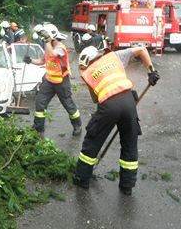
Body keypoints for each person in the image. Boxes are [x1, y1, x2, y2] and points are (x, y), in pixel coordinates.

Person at [73, 45, 160, 195]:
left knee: (93, 140)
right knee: (129, 143)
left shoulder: (88, 72)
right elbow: (141, 49)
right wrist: (151, 71)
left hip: (108, 106)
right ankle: (127, 186)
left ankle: (82, 179)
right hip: (128, 102)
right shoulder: (115, 56)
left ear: (86, 62)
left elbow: (95, 99)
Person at [23, 24, 82, 136]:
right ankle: (38, 126)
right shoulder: (49, 46)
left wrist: (47, 40)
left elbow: (52, 54)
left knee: (68, 105)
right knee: (40, 102)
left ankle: (77, 125)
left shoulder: (60, 48)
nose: (44, 39)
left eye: (45, 37)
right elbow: (42, 61)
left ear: (51, 37)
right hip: (49, 81)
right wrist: (30, 60)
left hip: (61, 82)